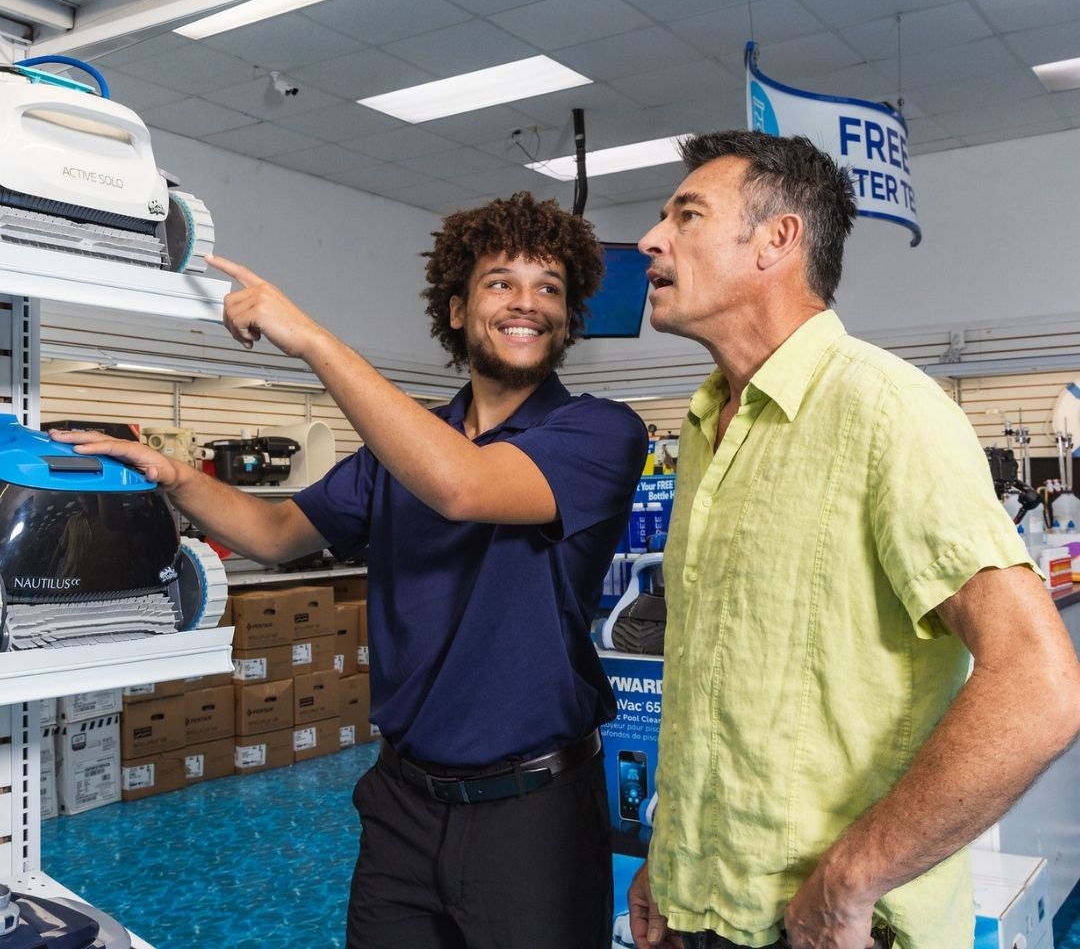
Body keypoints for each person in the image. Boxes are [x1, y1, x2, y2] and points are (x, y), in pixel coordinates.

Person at [53, 191, 647, 949]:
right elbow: (275, 532)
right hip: (402, 804)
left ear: (567, 317)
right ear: (459, 310)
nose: (527, 302)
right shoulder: (402, 448)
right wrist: (172, 475)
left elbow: (463, 486)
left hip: (532, 813)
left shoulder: (599, 431)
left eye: (550, 288)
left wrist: (312, 340)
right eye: (501, 282)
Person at [626, 130, 1080, 949]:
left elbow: (1039, 684)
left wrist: (852, 879)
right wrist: (671, 856)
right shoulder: (704, 426)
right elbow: (720, 685)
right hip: (701, 905)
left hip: (828, 928)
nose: (651, 240)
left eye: (686, 215)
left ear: (777, 240)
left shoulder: (885, 412)